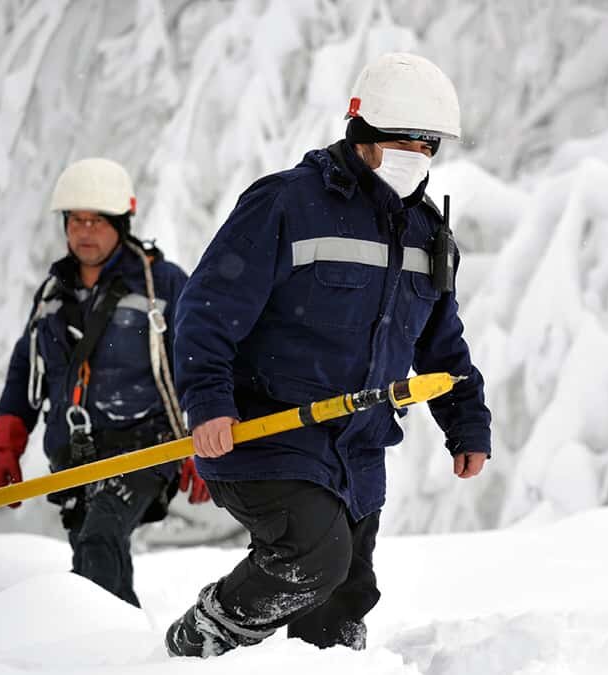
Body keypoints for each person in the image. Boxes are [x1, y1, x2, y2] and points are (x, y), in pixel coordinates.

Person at [165, 53, 491, 657]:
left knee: (345, 596)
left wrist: (467, 422)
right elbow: (207, 309)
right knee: (313, 559)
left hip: (359, 448)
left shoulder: (427, 235)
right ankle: (198, 643)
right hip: (268, 432)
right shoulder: (287, 204)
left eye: (428, 145)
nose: (417, 155)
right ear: (363, 134)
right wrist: (208, 402)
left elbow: (442, 343)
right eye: (404, 141)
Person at [0, 157, 209, 607]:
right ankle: (110, 636)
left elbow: (202, 361)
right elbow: (24, 371)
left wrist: (201, 441)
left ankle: (111, 637)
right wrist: (6, 448)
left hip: (146, 447)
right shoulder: (52, 295)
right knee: (92, 564)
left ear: (121, 225)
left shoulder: (161, 285)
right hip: (75, 454)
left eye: (97, 222)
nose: (85, 231)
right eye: (76, 221)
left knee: (100, 536)